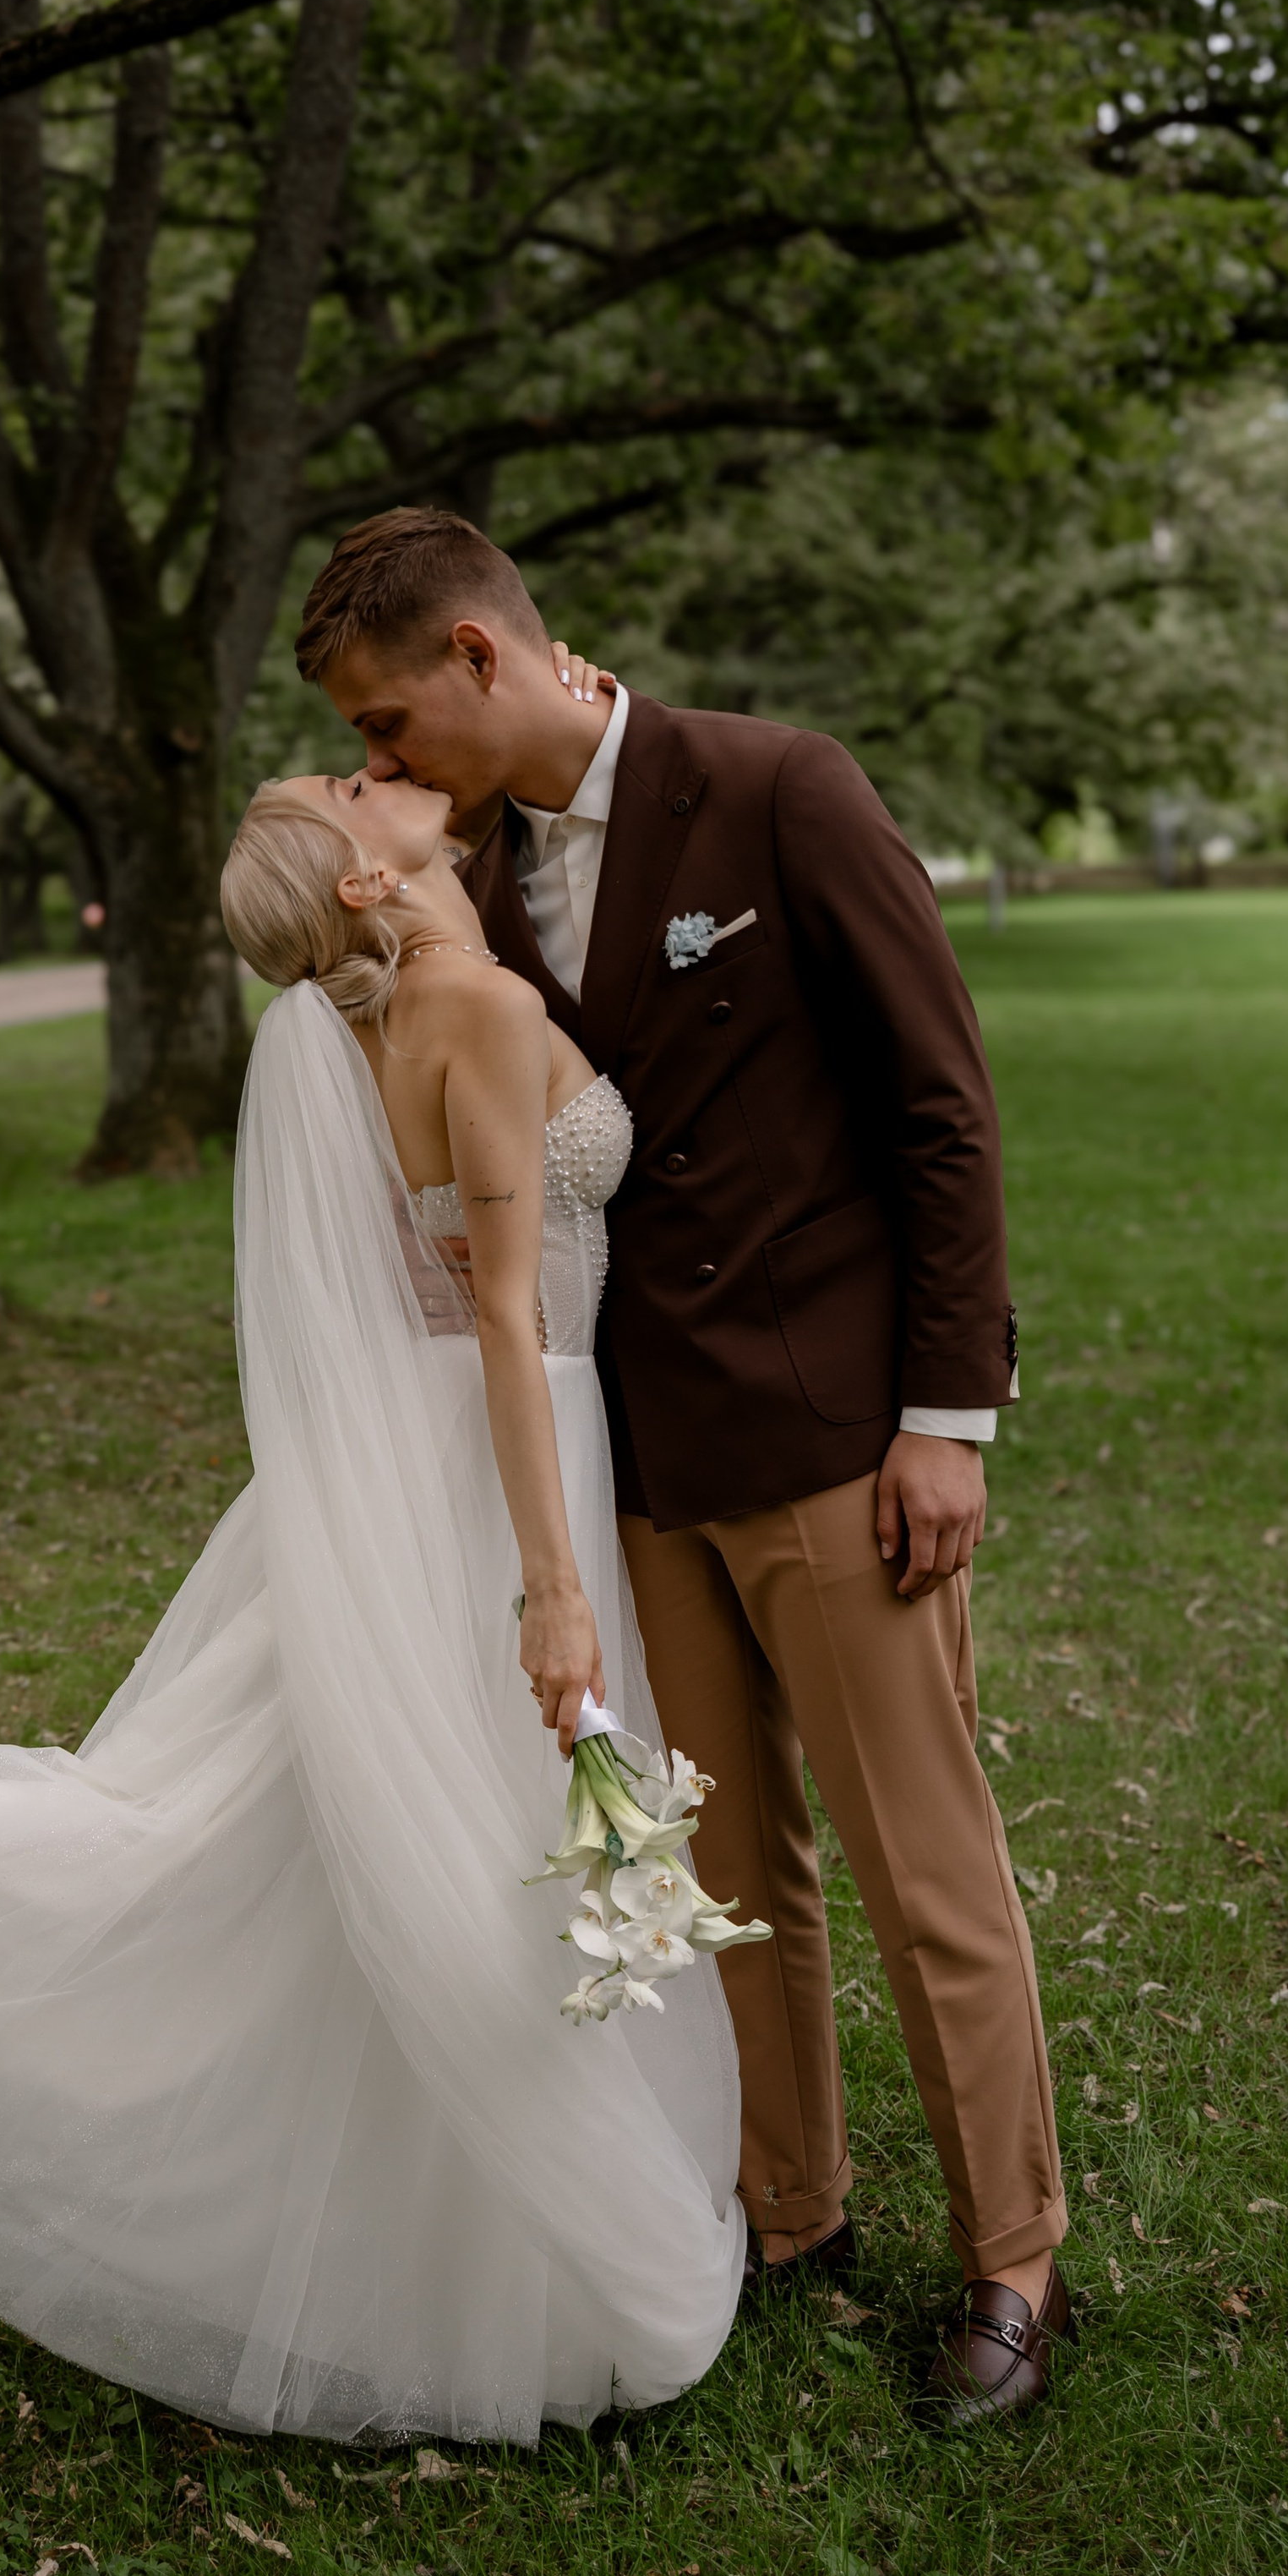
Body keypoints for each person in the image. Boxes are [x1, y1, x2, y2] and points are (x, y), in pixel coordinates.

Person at [0, 767, 747, 2447]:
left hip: (424, 1453)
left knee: (289, 1842)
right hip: (497, 1466)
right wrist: (553, 1589)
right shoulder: (482, 1012)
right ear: (364, 882)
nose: (376, 772)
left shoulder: (363, 1021)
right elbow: (508, 1322)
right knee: (329, 1843)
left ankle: (430, 2237)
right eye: (352, 786)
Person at [298, 505, 1072, 2426]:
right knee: (730, 1870)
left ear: (482, 655)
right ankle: (788, 2210)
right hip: (635, 1459)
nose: (381, 768)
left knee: (924, 1872)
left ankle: (1010, 2261)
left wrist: (942, 1416)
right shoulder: (459, 867)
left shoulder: (776, 789)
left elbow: (939, 1108)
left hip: (833, 1443)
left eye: (390, 724)